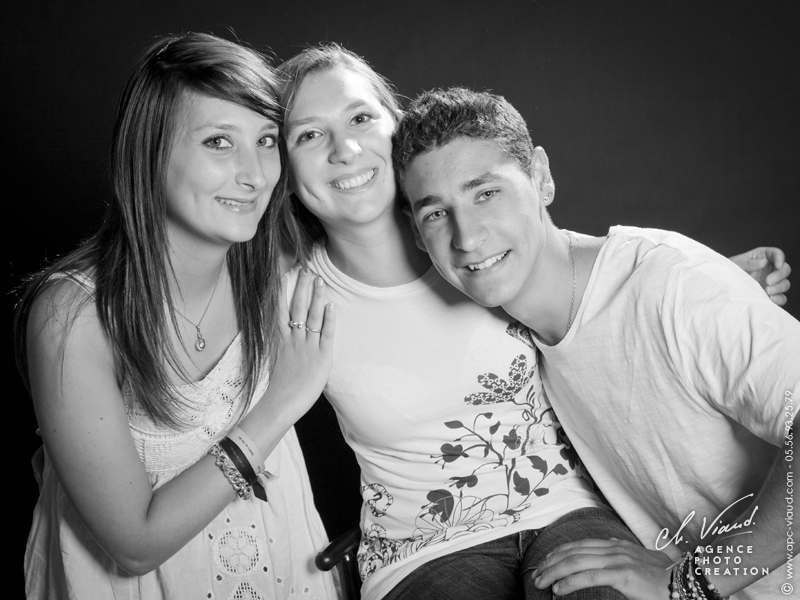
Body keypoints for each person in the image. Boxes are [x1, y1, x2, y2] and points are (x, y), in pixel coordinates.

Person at [275, 44, 792, 600]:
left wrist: (700, 284)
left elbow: (629, 291)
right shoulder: (496, 293)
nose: (468, 238)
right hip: (434, 554)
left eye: (359, 118)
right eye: (435, 213)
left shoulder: (655, 282)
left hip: (652, 549)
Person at [17, 33, 336, 600]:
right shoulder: (73, 317)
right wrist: (285, 399)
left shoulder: (276, 263)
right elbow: (133, 542)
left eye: (266, 141)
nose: (256, 174)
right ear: (149, 152)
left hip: (285, 565)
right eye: (219, 142)